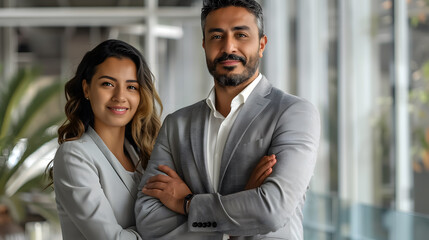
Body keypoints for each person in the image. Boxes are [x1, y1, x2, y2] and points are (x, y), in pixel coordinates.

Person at [135, 0, 321, 239]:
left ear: (262, 44)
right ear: (204, 44)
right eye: (216, 36)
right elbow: (148, 218)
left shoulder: (294, 113)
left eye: (241, 35)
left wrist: (188, 204)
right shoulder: (176, 125)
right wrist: (239, 214)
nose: (228, 47)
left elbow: (270, 211)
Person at [49, 39, 162, 240]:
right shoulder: (74, 155)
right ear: (86, 89)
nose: (120, 96)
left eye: (131, 87)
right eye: (108, 84)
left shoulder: (142, 155)